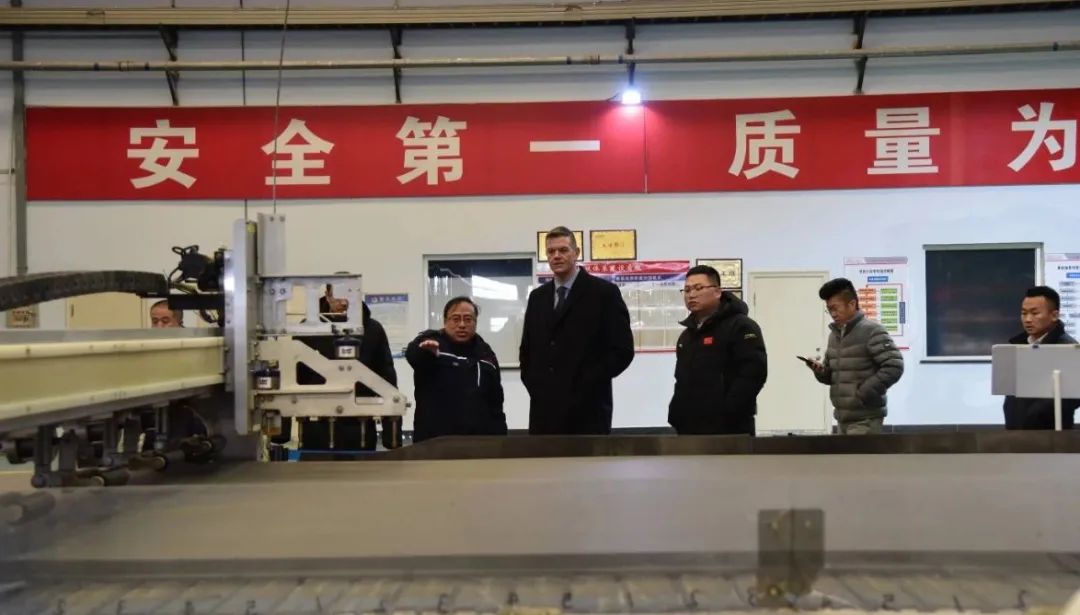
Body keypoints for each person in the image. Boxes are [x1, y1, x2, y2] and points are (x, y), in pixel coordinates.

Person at [519, 226, 635, 434]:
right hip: (544, 411)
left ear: (576, 253)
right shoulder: (537, 297)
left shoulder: (604, 293)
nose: (556, 256)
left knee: (586, 457)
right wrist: (535, 386)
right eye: (551, 251)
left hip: (588, 409)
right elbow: (527, 349)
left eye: (563, 250)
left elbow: (622, 350)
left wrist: (589, 382)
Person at [274, 286, 398, 452]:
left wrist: (392, 436)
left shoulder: (373, 330)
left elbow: (387, 377)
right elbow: (293, 377)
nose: (344, 302)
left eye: (349, 296)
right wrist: (282, 431)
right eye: (338, 297)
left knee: (362, 468)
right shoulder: (308, 329)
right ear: (327, 296)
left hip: (359, 426)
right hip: (316, 426)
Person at [668, 265, 767, 435]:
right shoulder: (687, 335)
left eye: (698, 288)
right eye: (687, 290)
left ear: (717, 292)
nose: (691, 294)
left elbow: (753, 374)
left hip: (729, 426)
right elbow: (681, 379)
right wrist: (676, 414)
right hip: (688, 426)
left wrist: (729, 411)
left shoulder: (741, 326)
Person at [806, 278, 904, 435]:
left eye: (835, 308)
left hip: (866, 419)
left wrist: (865, 391)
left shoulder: (872, 330)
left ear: (852, 304)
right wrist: (819, 371)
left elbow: (894, 366)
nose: (832, 314)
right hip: (842, 418)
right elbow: (831, 375)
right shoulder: (834, 335)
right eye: (829, 310)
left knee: (859, 453)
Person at [406, 297, 507, 442]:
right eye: (455, 319)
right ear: (445, 321)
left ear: (475, 323)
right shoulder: (431, 343)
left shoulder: (486, 354)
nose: (462, 325)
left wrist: (501, 441)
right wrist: (426, 352)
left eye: (468, 319)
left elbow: (496, 401)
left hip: (479, 441)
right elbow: (414, 356)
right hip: (435, 441)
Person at [1002, 286, 1079, 429]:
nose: (1027, 319)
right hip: (1015, 433)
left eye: (1035, 313)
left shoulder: (1068, 348)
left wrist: (1037, 413)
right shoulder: (1017, 346)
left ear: (1054, 315)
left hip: (1051, 435)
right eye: (1024, 313)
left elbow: (1073, 397)